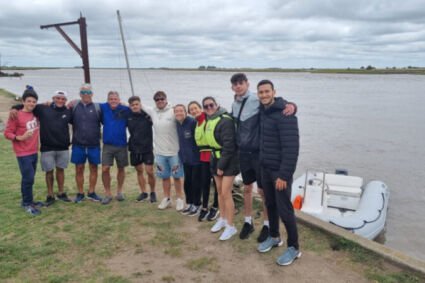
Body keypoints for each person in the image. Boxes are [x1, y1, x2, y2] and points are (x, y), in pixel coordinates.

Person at [230, 73, 296, 242]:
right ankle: (247, 221)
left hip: (259, 153)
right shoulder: (234, 103)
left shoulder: (256, 98)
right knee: (246, 188)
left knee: (263, 192)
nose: (238, 86)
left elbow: (278, 104)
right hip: (243, 153)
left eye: (241, 83)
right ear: (232, 87)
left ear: (247, 84)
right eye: (235, 84)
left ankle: (268, 225)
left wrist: (293, 106)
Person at [256, 79, 300, 266]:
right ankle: (274, 237)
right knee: (270, 205)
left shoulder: (286, 114)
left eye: (267, 91)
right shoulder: (263, 112)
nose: (264, 95)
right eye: (261, 92)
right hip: (265, 169)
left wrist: (284, 174)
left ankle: (294, 247)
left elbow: (292, 148)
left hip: (280, 172)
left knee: (285, 210)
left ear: (274, 92)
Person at [9, 90, 73, 205]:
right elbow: (28, 105)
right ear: (53, 98)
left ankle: (61, 193)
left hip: (63, 147)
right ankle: (50, 195)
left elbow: (77, 121)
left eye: (63, 99)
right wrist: (14, 107)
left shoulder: (68, 111)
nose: (60, 100)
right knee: (49, 171)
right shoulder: (43, 108)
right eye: (57, 98)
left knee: (60, 170)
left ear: (66, 100)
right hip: (47, 147)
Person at [203, 96, 239, 241]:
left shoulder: (225, 120)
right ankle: (223, 218)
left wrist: (221, 166)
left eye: (211, 105)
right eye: (206, 106)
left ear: (217, 105)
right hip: (215, 157)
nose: (209, 108)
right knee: (218, 191)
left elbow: (229, 146)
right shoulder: (209, 120)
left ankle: (231, 226)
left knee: (226, 193)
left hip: (228, 160)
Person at [141, 91, 184, 211]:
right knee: (164, 177)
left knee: (177, 177)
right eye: (157, 99)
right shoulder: (153, 111)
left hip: (174, 152)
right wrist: (121, 103)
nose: (160, 101)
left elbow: (184, 116)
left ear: (166, 99)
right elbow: (140, 105)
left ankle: (180, 199)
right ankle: (167, 199)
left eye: (162, 98)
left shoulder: (173, 111)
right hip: (160, 152)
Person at [4, 86, 42, 215]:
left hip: (33, 151)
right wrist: (19, 137)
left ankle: (29, 200)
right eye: (29, 101)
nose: (31, 103)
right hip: (23, 152)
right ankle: (26, 204)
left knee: (30, 178)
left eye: (34, 101)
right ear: (23, 101)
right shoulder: (16, 115)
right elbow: (7, 133)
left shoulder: (35, 113)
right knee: (28, 178)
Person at [70, 83, 103, 203]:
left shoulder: (98, 107)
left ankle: (91, 192)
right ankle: (80, 193)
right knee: (79, 168)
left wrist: (124, 104)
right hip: (78, 144)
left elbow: (112, 109)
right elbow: (59, 109)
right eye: (83, 92)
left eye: (88, 92)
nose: (86, 95)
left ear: (92, 94)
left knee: (93, 168)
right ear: (80, 94)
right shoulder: (73, 106)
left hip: (94, 144)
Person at [187, 101, 219, 222]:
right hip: (203, 158)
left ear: (201, 109)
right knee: (204, 184)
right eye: (191, 110)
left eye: (196, 108)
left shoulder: (208, 119)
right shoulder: (197, 123)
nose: (194, 111)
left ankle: (216, 206)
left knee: (217, 185)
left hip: (213, 156)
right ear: (189, 112)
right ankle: (205, 207)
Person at [100, 91, 131, 205]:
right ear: (108, 100)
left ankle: (119, 192)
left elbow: (136, 108)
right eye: (111, 99)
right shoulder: (103, 107)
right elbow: (89, 103)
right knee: (105, 169)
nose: (113, 101)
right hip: (107, 145)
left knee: (121, 168)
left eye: (115, 99)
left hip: (121, 144)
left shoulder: (125, 109)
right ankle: (108, 193)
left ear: (119, 100)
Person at [127, 96, 156, 203]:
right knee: (139, 171)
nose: (135, 106)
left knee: (149, 171)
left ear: (140, 104)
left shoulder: (148, 116)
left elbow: (157, 114)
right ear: (130, 106)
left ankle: (153, 192)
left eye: (136, 104)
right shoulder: (128, 116)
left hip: (147, 148)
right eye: (132, 105)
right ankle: (144, 192)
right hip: (134, 148)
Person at [174, 104, 202, 216]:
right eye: (176, 111)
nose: (179, 113)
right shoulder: (177, 123)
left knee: (196, 183)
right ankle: (190, 203)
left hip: (196, 159)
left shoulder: (192, 123)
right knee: (187, 183)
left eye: (181, 111)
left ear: (186, 112)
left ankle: (197, 205)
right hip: (185, 159)